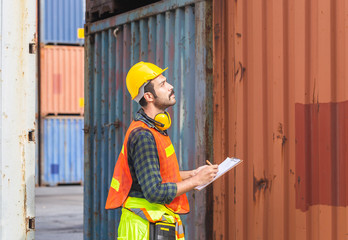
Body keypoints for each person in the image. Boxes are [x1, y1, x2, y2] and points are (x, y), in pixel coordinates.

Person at [105, 61, 218, 240]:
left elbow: (156, 175)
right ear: (149, 96)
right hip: (142, 229)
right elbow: (154, 191)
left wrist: (192, 174)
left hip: (151, 224)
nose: (170, 87)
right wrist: (196, 181)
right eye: (163, 84)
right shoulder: (143, 136)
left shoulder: (154, 129)